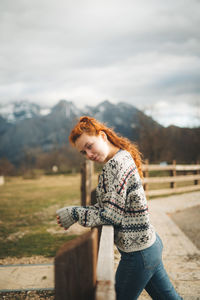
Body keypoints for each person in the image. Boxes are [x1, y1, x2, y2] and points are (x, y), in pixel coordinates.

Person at [56, 116, 182, 300]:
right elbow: (106, 207)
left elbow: (111, 215)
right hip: (149, 245)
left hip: (138, 254)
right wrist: (78, 211)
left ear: (102, 136)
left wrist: (75, 213)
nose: (89, 155)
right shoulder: (121, 156)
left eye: (89, 146)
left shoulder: (115, 165)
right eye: (83, 152)